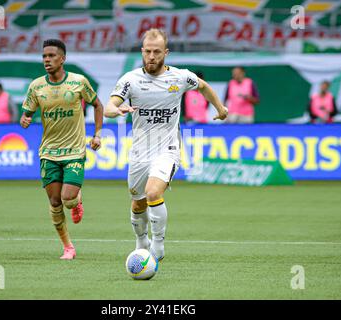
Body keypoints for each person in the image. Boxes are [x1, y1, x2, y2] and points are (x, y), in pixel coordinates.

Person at [104, 28, 228, 261]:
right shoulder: (130, 80)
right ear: (142, 52)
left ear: (166, 53)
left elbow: (203, 86)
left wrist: (220, 109)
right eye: (148, 52)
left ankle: (158, 245)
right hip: (140, 150)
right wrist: (115, 110)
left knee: (153, 192)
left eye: (157, 52)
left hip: (167, 148)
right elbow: (110, 105)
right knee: (138, 202)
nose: (152, 56)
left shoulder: (180, 77)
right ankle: (141, 240)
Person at [20, 39, 104, 260]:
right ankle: (68, 247)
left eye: (51, 56)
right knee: (55, 202)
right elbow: (27, 113)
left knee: (67, 198)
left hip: (75, 150)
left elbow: (97, 105)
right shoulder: (36, 86)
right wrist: (25, 119)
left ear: (63, 59)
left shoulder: (78, 82)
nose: (47, 60)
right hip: (48, 152)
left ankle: (76, 201)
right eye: (44, 56)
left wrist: (97, 134)